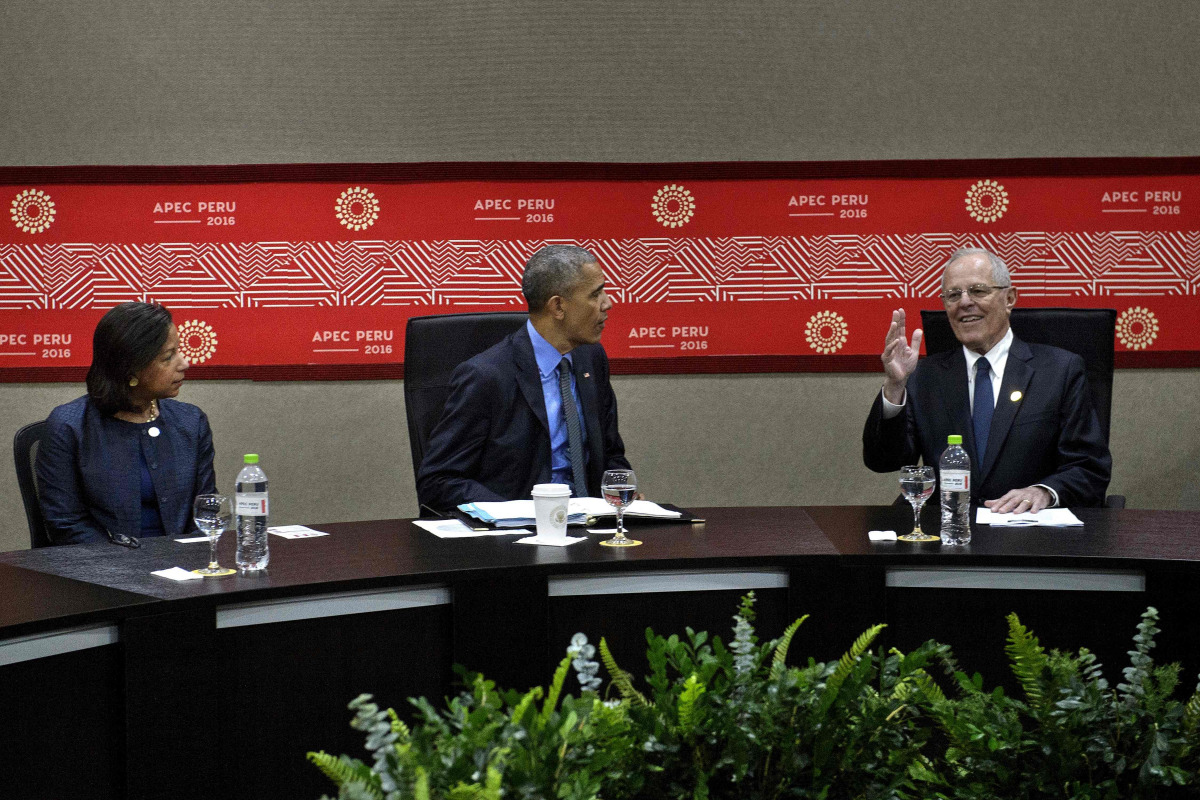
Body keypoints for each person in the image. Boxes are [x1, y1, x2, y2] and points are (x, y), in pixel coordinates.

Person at [862, 248, 1111, 512]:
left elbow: (1089, 468)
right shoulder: (925, 376)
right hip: (949, 534)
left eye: (978, 290)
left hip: (1030, 536)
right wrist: (895, 386)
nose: (965, 302)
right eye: (953, 295)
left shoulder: (1060, 371)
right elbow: (883, 461)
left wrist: (1044, 492)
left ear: (1009, 298)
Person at [417, 244, 632, 512]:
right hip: (516, 538)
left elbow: (611, 455)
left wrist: (623, 495)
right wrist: (520, 513)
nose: (607, 303)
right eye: (595, 294)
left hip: (591, 527)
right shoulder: (486, 377)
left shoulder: (592, 358)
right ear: (558, 307)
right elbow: (437, 481)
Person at [36, 302, 216, 545]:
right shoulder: (68, 427)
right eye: (168, 357)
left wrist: (185, 563)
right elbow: (65, 524)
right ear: (130, 369)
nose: (184, 363)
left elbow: (207, 510)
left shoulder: (191, 422)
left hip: (184, 570)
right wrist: (131, 565)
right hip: (103, 571)